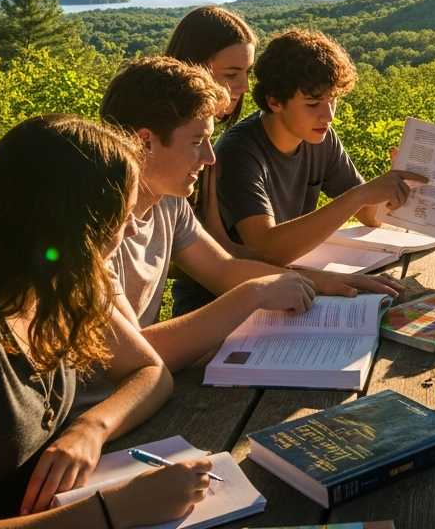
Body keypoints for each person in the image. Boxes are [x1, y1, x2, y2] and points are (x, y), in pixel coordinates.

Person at [0, 115, 213, 528]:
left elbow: (150, 371)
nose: (133, 227)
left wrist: (91, 428)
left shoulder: (58, 290)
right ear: (78, 227)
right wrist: (113, 508)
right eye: (123, 213)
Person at [97, 56, 400, 377]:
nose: (210, 156)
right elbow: (135, 357)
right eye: (198, 141)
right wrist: (254, 294)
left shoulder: (168, 201)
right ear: (145, 142)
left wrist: (317, 280)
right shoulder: (97, 222)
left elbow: (223, 268)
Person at [211, 29, 421, 266]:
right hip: (228, 293)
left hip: (287, 280)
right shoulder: (239, 152)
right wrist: (357, 196)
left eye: (333, 100)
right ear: (274, 101)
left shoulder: (320, 138)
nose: (328, 116)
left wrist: (399, 185)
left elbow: (369, 214)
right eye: (313, 104)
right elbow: (265, 249)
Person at [162, 5, 263, 315]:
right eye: (232, 74)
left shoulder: (205, 152)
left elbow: (222, 250)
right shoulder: (164, 160)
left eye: (247, 72)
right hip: (200, 309)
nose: (245, 86)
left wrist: (311, 276)